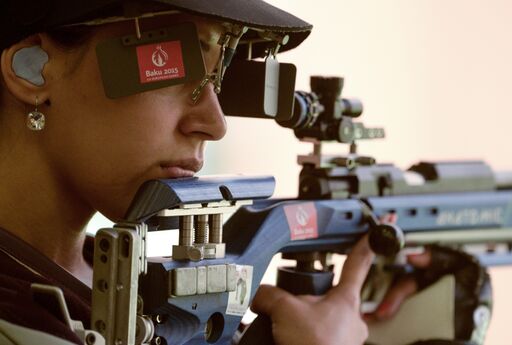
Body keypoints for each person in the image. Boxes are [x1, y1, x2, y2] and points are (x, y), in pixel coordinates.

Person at [0, 1, 381, 344]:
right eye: (171, 67)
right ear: (33, 70)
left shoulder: (127, 288)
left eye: (218, 78)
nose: (214, 123)